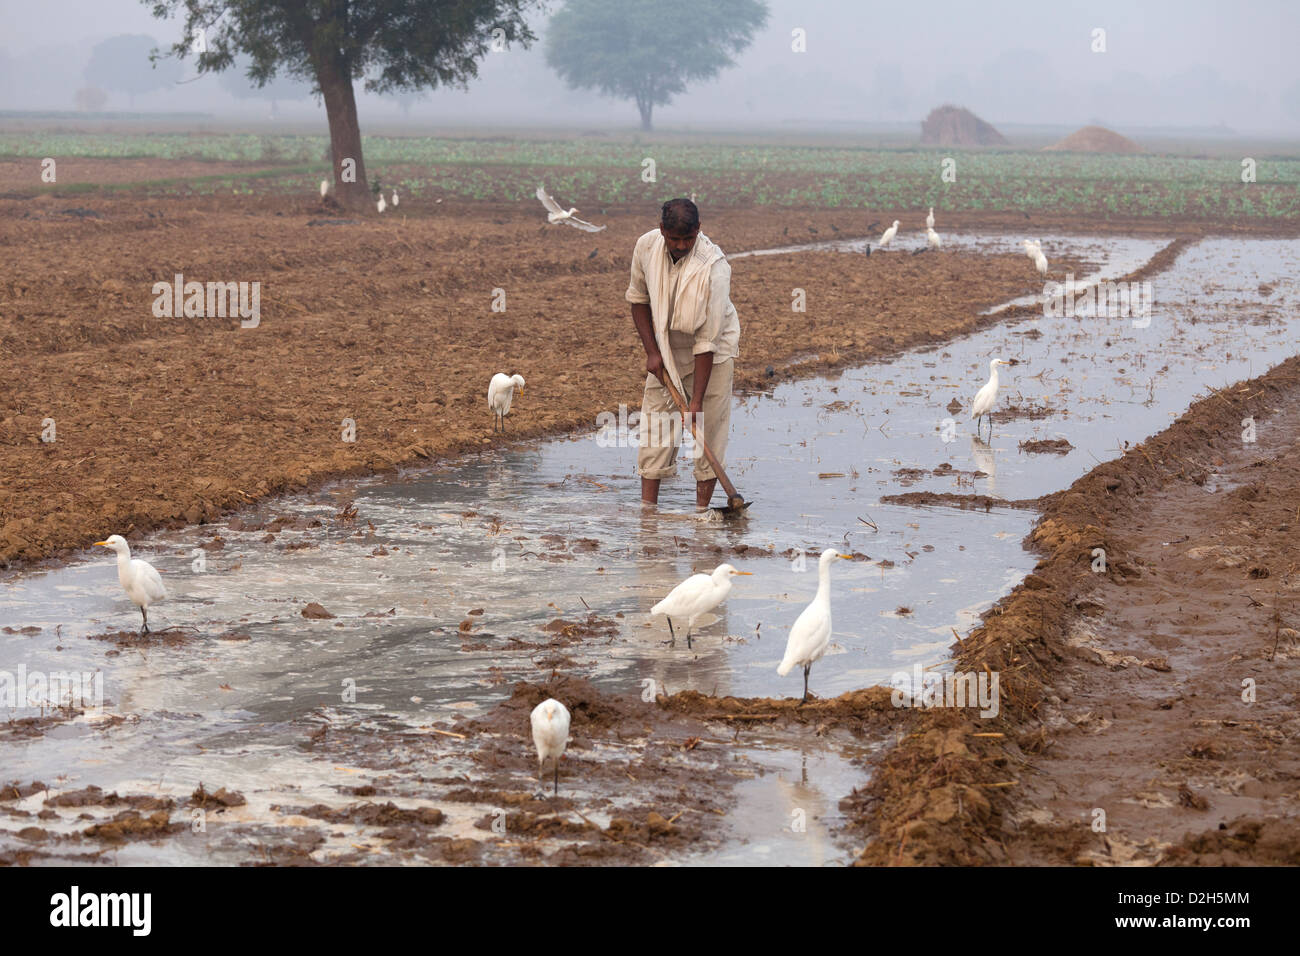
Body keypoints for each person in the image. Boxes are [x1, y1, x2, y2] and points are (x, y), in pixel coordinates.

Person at [626, 198, 740, 510]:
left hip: (713, 353)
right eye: (674, 238)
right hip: (664, 347)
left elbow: (707, 341)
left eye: (687, 239)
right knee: (656, 427)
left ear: (698, 231)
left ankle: (702, 511)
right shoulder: (646, 247)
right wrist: (652, 352)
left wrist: (696, 402)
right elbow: (638, 300)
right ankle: (648, 513)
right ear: (661, 229)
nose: (680, 245)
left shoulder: (715, 267)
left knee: (708, 428)